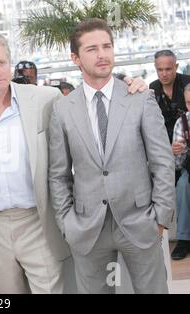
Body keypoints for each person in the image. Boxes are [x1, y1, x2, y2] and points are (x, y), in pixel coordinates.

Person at [0, 31, 147, 294]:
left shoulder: (44, 99)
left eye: (2, 62)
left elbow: (88, 105)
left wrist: (131, 86)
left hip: (37, 220)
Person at [49, 18, 175, 294]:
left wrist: (161, 217)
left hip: (141, 221)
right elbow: (58, 175)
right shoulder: (63, 109)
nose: (103, 54)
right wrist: (67, 222)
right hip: (87, 228)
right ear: (76, 58)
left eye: (107, 46)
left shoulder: (140, 98)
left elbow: (163, 161)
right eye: (92, 49)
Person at [150, 49, 190, 143]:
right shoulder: (153, 87)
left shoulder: (188, 82)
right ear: (155, 68)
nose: (164, 74)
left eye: (168, 69)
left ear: (176, 67)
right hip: (164, 142)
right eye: (160, 70)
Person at [170, 83, 190, 260]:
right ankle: (184, 239)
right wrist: (176, 152)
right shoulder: (182, 123)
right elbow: (178, 165)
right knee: (182, 185)